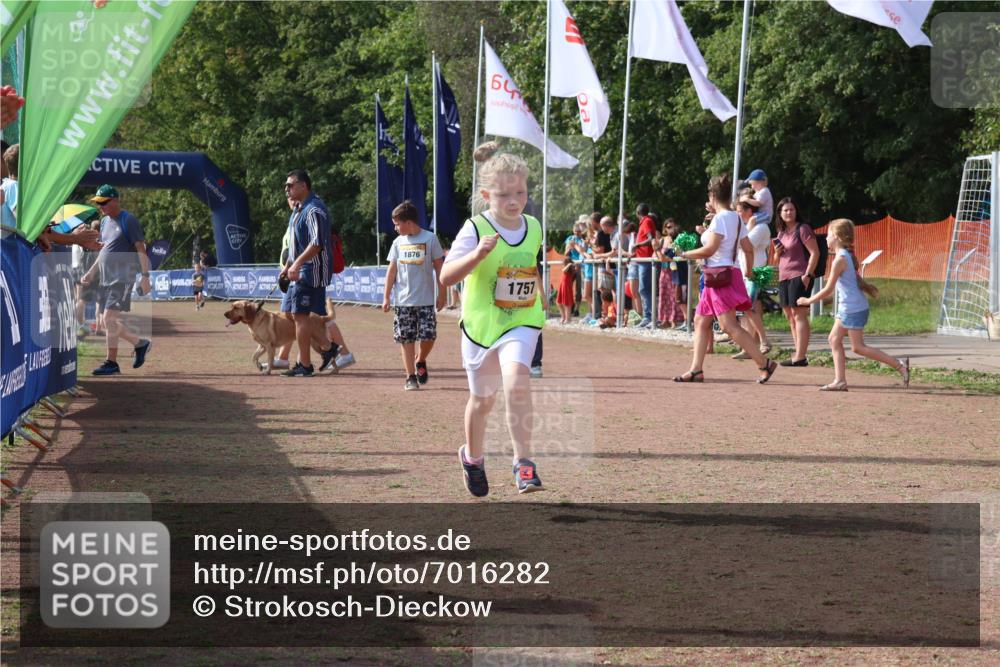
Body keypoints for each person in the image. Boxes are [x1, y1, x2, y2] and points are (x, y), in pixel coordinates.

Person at [440, 141, 545, 497]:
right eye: (503, 195)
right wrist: (478, 255)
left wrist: (541, 296)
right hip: (482, 325)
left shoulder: (533, 226)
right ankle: (472, 457)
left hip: (521, 319)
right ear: (487, 195)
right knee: (482, 401)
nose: (514, 201)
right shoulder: (475, 228)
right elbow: (447, 277)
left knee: (517, 381)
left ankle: (523, 463)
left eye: (520, 193)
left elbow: (529, 265)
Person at [674, 175, 777, 384]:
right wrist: (748, 271)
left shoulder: (721, 219)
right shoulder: (734, 217)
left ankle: (763, 362)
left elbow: (710, 249)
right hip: (725, 274)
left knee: (729, 326)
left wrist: (684, 254)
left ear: (711, 196)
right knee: (701, 321)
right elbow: (747, 248)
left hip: (719, 276)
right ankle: (696, 369)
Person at [798, 219, 909, 391]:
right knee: (834, 339)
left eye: (828, 235)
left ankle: (899, 365)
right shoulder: (845, 256)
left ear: (836, 236)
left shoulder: (840, 259)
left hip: (852, 308)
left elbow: (828, 289)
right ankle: (840, 381)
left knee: (858, 347)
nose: (826, 239)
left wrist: (808, 301)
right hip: (849, 307)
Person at [80, 185, 153, 376]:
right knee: (106, 322)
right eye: (98, 203)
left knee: (108, 319)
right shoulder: (104, 222)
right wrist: (91, 272)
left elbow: (141, 249)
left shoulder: (128, 220)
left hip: (123, 277)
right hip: (106, 278)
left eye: (103, 202)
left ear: (115, 200)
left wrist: (145, 277)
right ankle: (116, 359)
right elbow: (104, 251)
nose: (100, 206)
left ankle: (137, 345)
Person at [278, 169, 338, 377]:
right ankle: (328, 348)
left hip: (311, 271)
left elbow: (317, 244)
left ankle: (305, 364)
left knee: (299, 315)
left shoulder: (314, 210)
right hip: (300, 269)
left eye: (291, 185)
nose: (287, 189)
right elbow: (296, 245)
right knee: (294, 314)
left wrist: (296, 265)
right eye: (286, 185)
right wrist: (287, 267)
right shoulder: (298, 210)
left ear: (304, 186)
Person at [381, 200, 445, 390]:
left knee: (429, 336)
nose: (395, 228)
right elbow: (391, 271)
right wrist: (386, 297)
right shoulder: (397, 243)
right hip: (403, 301)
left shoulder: (430, 239)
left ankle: (421, 359)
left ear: (409, 222)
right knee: (406, 338)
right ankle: (410, 377)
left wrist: (442, 295)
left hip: (425, 300)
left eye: (397, 223)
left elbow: (440, 268)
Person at [773, 196, 819, 366]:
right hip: (784, 276)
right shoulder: (781, 233)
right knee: (789, 316)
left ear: (796, 211)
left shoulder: (803, 229)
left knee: (799, 314)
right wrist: (777, 251)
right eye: (785, 210)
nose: (789, 212)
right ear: (780, 213)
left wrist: (807, 275)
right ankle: (797, 352)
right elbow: (778, 258)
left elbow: (815, 253)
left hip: (799, 275)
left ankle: (800, 355)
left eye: (791, 209)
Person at [731, 196, 772, 359]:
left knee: (748, 307)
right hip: (744, 273)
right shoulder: (745, 228)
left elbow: (745, 245)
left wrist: (746, 228)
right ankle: (749, 346)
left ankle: (764, 341)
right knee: (747, 309)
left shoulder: (761, 227)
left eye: (740, 211)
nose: (737, 214)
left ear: (750, 211)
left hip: (755, 273)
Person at [633, 203, 659, 328]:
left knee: (644, 289)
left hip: (646, 260)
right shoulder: (645, 222)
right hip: (641, 259)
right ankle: (648, 316)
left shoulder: (647, 221)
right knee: (643, 289)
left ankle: (649, 316)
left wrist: (637, 245)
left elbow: (651, 239)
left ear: (637, 213)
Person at [655, 218, 684, 328]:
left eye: (672, 226)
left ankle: (674, 319)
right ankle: (664, 319)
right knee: (663, 294)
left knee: (673, 295)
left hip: (674, 270)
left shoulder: (678, 239)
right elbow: (658, 256)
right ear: (664, 229)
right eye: (668, 227)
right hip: (664, 270)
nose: (670, 229)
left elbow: (677, 253)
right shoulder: (662, 240)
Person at [556, 256, 577, 324]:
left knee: (567, 303)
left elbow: (564, 270)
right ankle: (563, 317)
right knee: (558, 302)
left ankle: (568, 319)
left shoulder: (570, 270)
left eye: (565, 263)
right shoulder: (567, 268)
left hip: (566, 287)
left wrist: (570, 264)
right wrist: (569, 264)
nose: (564, 264)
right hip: (562, 286)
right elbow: (564, 270)